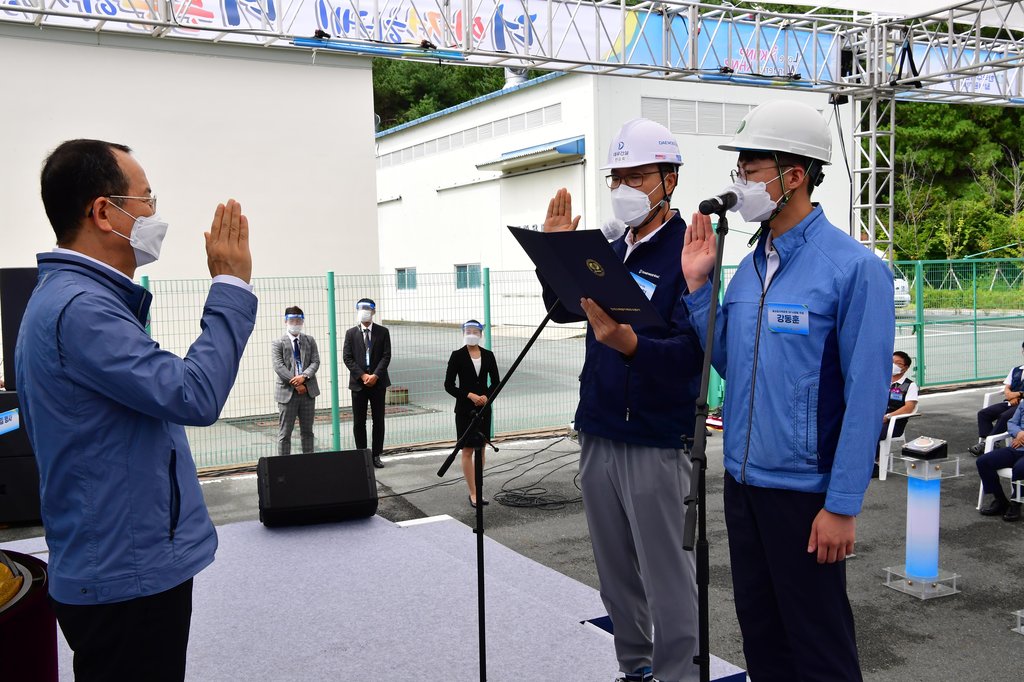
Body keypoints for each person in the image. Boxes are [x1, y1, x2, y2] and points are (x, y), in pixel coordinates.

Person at [14, 139, 256, 681]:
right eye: (146, 201)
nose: (155, 216)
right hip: (125, 571)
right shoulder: (81, 308)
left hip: (121, 557)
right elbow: (194, 393)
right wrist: (231, 285)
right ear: (104, 212)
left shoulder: (71, 298)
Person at [681, 100, 895, 681]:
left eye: (750, 169)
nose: (740, 182)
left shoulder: (853, 268)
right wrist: (700, 289)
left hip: (806, 495)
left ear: (793, 176)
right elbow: (725, 361)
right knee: (762, 635)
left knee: (819, 646)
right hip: (745, 484)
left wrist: (842, 505)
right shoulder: (750, 264)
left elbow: (868, 395)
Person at [539, 118, 703, 682]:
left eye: (638, 176)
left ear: (669, 180)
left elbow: (692, 353)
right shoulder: (610, 245)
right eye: (617, 178)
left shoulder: (689, 253)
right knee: (614, 573)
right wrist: (555, 256)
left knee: (665, 573)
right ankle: (634, 668)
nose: (625, 188)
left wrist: (633, 347)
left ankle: (676, 674)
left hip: (655, 437)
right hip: (599, 428)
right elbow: (565, 309)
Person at [443, 320, 501, 508]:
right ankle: (473, 492)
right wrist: (469, 395)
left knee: (481, 448)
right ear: (463, 333)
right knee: (467, 449)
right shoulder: (457, 356)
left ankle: (479, 488)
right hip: (464, 409)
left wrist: (486, 396)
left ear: (481, 333)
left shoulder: (489, 355)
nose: (471, 334)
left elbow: (496, 382)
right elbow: (449, 385)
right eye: (468, 331)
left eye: (475, 331)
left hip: (483, 408)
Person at [343, 298, 391, 468]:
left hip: (378, 383)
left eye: (367, 308)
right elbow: (347, 358)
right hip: (358, 384)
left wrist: (375, 375)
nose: (364, 311)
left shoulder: (383, 332)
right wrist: (363, 376)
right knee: (359, 421)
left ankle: (376, 454)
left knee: (378, 420)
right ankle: (362, 455)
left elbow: (386, 356)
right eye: (361, 308)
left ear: (374, 311)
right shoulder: (351, 333)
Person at [272, 306, 321, 455]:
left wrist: (304, 377)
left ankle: (308, 463)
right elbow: (279, 366)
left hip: (308, 392)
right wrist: (296, 383)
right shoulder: (278, 343)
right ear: (285, 321)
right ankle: (284, 466)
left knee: (307, 432)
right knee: (285, 433)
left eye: (299, 320)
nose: (295, 323)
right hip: (287, 394)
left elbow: (315, 362)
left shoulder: (309, 340)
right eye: (292, 320)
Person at [968, 341, 1024, 456]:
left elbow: (1014, 393)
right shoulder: (1016, 370)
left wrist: (1018, 394)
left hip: (1021, 405)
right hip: (1009, 402)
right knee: (983, 414)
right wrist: (1009, 395)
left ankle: (988, 444)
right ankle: (991, 443)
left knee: (1004, 416)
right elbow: (1007, 388)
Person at [976, 400, 1024, 521]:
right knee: (983, 462)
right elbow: (1011, 423)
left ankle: (1016, 504)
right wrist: (1018, 433)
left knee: (1019, 468)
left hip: (1020, 444)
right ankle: (1001, 501)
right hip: (1017, 447)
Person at [875, 351, 920, 474]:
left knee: (874, 431)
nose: (893, 365)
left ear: (905, 368)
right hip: (876, 418)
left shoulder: (909, 385)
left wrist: (889, 416)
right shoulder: (881, 381)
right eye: (892, 362)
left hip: (894, 423)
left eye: (898, 363)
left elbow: (909, 407)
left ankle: (875, 462)